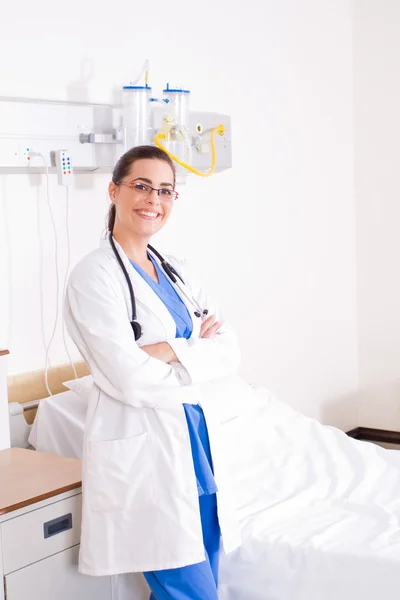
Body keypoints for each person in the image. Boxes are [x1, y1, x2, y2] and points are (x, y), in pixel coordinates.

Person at [64, 145, 252, 600]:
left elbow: (229, 350)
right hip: (149, 457)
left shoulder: (179, 273)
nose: (153, 200)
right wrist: (195, 356)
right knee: (190, 590)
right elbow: (128, 378)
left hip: (199, 448)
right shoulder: (94, 277)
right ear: (114, 190)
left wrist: (166, 349)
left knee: (198, 573)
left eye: (164, 190)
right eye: (141, 186)